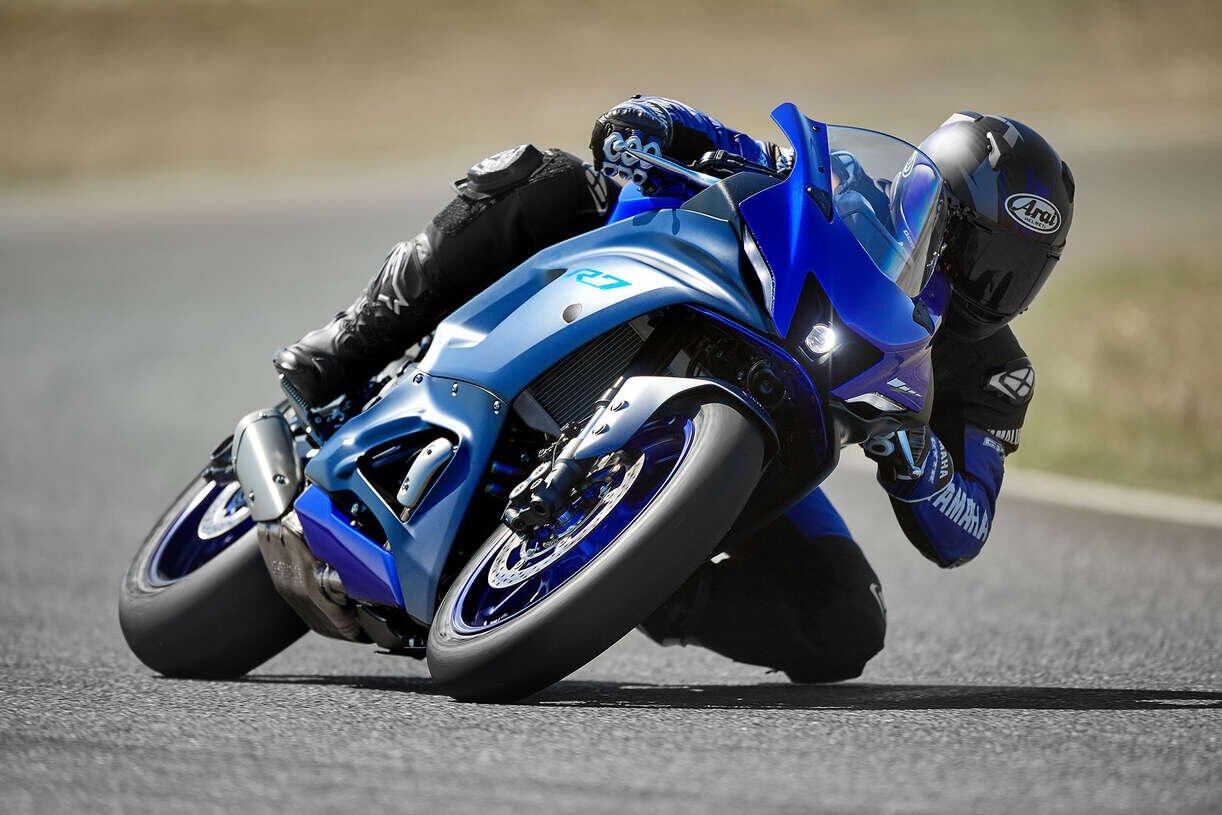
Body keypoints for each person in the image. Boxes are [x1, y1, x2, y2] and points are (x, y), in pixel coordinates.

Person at [273, 96, 1074, 682]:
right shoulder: (851, 193)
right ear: (930, 201)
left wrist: (921, 463)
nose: (986, 284)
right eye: (973, 249)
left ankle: (637, 575)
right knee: (552, 178)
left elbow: (965, 525)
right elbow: (753, 155)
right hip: (700, 315)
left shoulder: (996, 373)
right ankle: (353, 338)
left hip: (775, 434)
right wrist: (661, 123)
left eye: (1015, 272)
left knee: (846, 624)